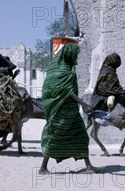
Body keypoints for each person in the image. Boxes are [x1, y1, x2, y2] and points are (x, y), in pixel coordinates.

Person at [39, 43, 99, 174]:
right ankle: (43, 167)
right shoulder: (60, 70)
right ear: (68, 55)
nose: (77, 58)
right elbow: (67, 91)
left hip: (71, 111)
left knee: (81, 135)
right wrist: (84, 105)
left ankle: (88, 166)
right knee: (54, 136)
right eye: (75, 55)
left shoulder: (69, 68)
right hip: (59, 110)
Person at [93, 53, 125, 125]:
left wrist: (121, 91)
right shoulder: (110, 71)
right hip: (106, 93)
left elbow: (113, 85)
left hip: (104, 92)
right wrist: (123, 92)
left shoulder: (105, 69)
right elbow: (111, 87)